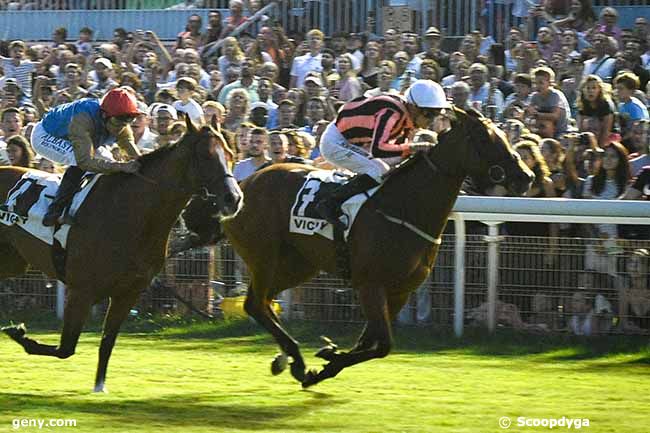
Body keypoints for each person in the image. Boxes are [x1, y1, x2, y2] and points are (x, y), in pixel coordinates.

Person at [315, 80, 451, 230]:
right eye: (429, 114)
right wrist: (414, 147)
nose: (431, 120)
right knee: (378, 170)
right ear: (414, 107)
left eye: (436, 114)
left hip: (355, 142)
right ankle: (330, 204)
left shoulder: (407, 118)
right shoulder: (392, 112)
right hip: (336, 141)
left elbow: (399, 155)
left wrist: (411, 151)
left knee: (395, 164)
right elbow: (378, 150)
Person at [29, 87, 142, 226]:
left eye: (127, 121)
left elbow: (129, 146)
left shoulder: (118, 119)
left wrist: (142, 162)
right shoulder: (83, 119)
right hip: (45, 136)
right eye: (118, 121)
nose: (121, 127)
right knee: (79, 163)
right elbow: (85, 162)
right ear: (104, 115)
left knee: (108, 162)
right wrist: (121, 166)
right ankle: (55, 212)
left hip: (75, 137)